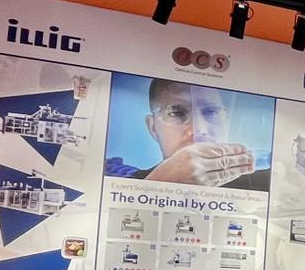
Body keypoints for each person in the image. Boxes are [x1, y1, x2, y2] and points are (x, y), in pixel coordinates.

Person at [105, 78, 269, 190]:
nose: (198, 130)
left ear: (227, 120)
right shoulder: (124, 182)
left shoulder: (263, 182)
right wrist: (158, 185)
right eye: (176, 113)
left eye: (211, 112)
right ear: (153, 128)